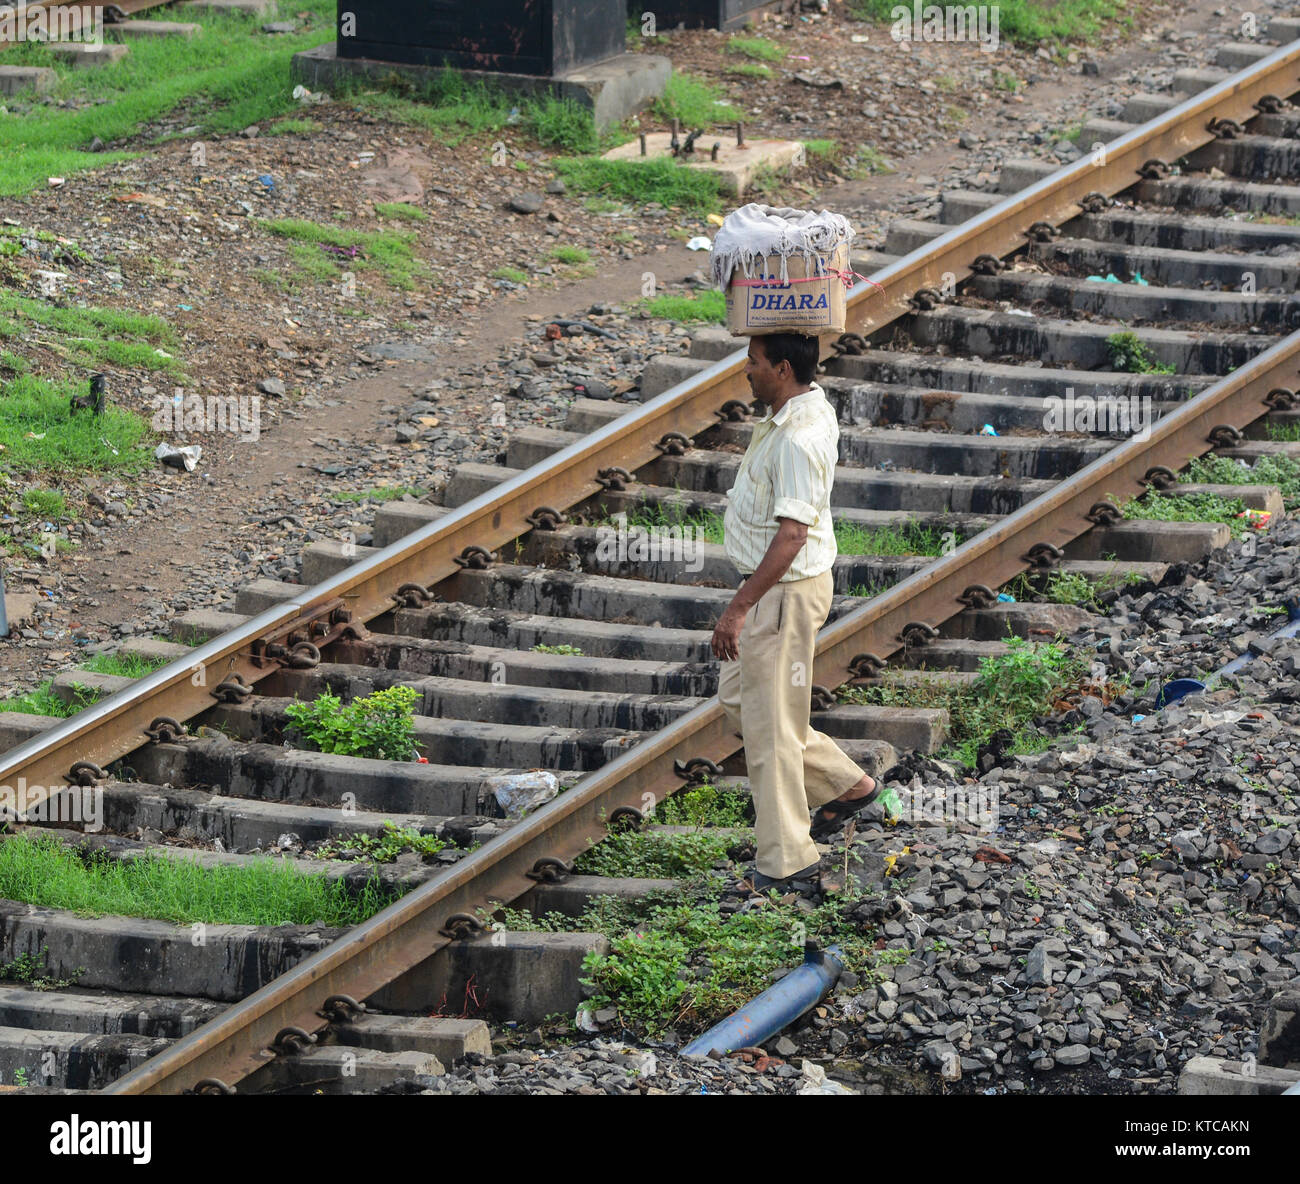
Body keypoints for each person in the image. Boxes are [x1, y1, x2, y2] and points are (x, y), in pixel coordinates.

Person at [712, 331, 879, 895]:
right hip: (776, 593)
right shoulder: (798, 409)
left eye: (754, 362)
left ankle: (787, 862)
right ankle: (845, 785)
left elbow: (790, 536)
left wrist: (738, 608)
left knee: (771, 733)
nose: (747, 370)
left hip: (782, 594)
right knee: (742, 703)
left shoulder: (799, 437)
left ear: (782, 369)